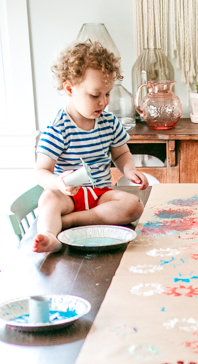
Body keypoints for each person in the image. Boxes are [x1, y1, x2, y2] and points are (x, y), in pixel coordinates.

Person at [32, 39, 147, 253]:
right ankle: (50, 235)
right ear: (69, 89)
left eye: (107, 93)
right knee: (48, 198)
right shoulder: (59, 128)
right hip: (69, 196)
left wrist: (129, 169)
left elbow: (121, 153)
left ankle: (68, 223)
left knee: (134, 206)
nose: (103, 102)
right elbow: (40, 172)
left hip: (101, 194)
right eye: (95, 95)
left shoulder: (109, 122)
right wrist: (57, 182)